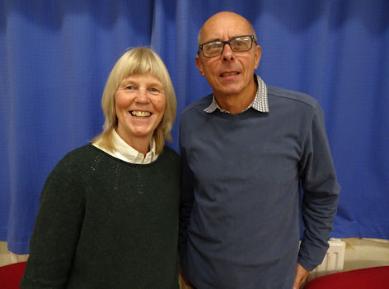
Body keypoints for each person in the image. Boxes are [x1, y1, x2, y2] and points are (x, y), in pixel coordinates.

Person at [179, 11, 340, 289]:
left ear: (257, 55)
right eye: (214, 47)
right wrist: (182, 263)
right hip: (200, 279)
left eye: (240, 43)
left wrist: (308, 261)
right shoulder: (191, 121)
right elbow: (186, 201)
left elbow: (322, 194)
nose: (228, 55)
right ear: (200, 65)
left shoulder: (302, 114)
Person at [21, 47, 181, 289]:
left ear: (165, 103)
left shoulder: (173, 167)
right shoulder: (74, 173)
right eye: (130, 87)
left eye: (154, 89)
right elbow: (42, 279)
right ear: (113, 98)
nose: (142, 98)